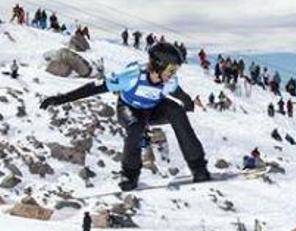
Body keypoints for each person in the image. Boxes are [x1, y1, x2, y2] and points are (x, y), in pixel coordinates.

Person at [39, 42, 211, 191]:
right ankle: (129, 176)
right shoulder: (132, 76)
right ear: (159, 65)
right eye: (171, 69)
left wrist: (187, 103)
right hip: (129, 109)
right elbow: (95, 88)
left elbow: (178, 92)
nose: (173, 74)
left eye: (176, 70)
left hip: (153, 110)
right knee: (135, 128)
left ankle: (198, 167)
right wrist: (61, 99)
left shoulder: (170, 81)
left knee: (176, 111)